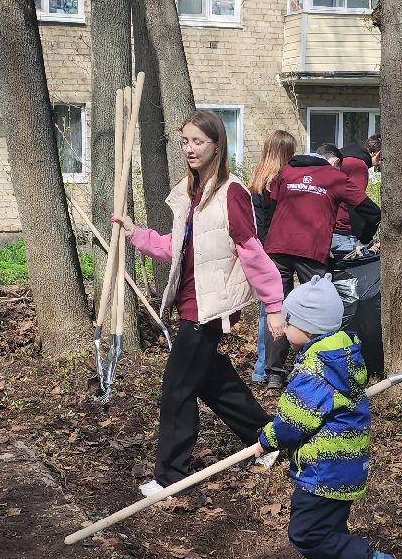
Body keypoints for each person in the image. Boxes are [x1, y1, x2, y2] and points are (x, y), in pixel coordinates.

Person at [113, 110, 287, 496]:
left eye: (198, 142)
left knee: (177, 389)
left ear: (216, 146)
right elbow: (179, 247)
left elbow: (251, 251)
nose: (190, 149)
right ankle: (269, 441)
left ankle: (171, 475)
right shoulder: (192, 191)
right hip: (190, 302)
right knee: (214, 382)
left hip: (207, 309)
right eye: (186, 141)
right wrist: (136, 235)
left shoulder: (231, 193)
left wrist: (273, 305)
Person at [249, 276, 397, 559]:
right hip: (341, 467)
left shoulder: (316, 371)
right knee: (330, 536)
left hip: (325, 470)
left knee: (308, 535)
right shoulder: (338, 356)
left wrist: (266, 440)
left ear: (311, 327)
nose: (283, 327)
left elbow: (292, 422)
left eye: (290, 321)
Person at [263, 147, 359, 388]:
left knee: (277, 307)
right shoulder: (335, 177)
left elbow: (270, 204)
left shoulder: (285, 172)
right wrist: (365, 235)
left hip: (277, 247)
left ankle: (274, 372)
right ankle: (320, 366)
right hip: (312, 250)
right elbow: (367, 207)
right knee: (322, 307)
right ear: (334, 162)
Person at [244, 130, 294, 385]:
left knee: (266, 310)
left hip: (259, 248)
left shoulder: (257, 178)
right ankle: (266, 367)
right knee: (275, 309)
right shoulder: (278, 182)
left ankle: (261, 368)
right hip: (274, 249)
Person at [331, 144, 373, 255]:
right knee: (348, 271)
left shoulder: (341, 161)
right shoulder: (359, 166)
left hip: (327, 229)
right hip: (343, 233)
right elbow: (355, 201)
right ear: (378, 154)